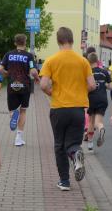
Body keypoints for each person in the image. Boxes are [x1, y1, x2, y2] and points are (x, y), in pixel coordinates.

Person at [39, 26, 96, 190]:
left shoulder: (51, 60)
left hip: (58, 108)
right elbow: (92, 85)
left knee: (59, 145)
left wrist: (52, 93)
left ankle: (64, 181)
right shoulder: (83, 61)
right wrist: (80, 92)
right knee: (73, 142)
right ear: (72, 40)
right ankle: (75, 153)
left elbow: (43, 85)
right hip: (78, 109)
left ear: (58, 41)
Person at [0, 34, 39, 147]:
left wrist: (7, 74)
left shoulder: (9, 54)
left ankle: (13, 115)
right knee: (23, 110)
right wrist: (37, 78)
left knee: (12, 110)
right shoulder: (29, 56)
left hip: (12, 85)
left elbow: (0, 69)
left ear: (15, 43)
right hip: (25, 86)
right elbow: (33, 71)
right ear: (25, 43)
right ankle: (18, 138)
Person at [86, 52, 112, 151]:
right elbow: (111, 87)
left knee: (91, 122)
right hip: (102, 99)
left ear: (88, 61)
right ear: (97, 61)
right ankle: (101, 129)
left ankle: (90, 144)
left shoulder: (87, 73)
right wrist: (104, 85)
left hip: (91, 99)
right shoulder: (104, 72)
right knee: (98, 122)